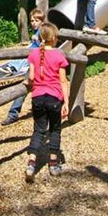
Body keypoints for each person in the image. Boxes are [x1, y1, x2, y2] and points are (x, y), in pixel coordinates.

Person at [25, 21, 70, 181]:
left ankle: (31, 163)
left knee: (38, 130)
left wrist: (29, 84)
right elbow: (63, 81)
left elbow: (31, 77)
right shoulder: (59, 55)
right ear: (55, 38)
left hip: (37, 97)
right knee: (55, 130)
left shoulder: (33, 54)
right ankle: (53, 162)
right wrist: (66, 102)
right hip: (54, 98)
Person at [0, 9, 45, 126]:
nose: (33, 23)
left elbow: (44, 46)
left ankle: (13, 113)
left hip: (37, 64)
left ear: (42, 21)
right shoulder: (36, 32)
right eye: (32, 21)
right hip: (31, 62)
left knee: (27, 87)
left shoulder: (42, 32)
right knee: (24, 88)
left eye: (36, 20)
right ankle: (13, 113)